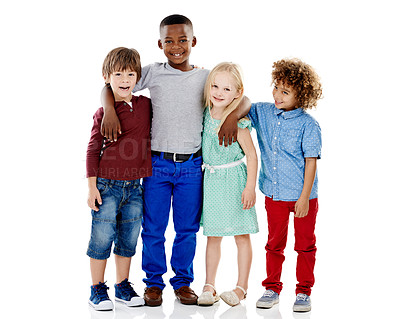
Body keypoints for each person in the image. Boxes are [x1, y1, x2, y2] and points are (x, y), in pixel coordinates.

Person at [100, 14, 250, 306]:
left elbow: (244, 99)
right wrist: (108, 109)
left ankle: (182, 283)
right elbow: (113, 84)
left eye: (183, 40)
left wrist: (232, 116)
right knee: (154, 228)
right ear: (160, 44)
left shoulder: (206, 77)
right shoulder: (153, 73)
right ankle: (153, 284)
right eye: (169, 41)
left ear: (193, 42)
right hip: (157, 165)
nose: (176, 46)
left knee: (187, 229)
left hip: (192, 166)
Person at [248, 58, 323, 312]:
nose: (277, 95)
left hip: (303, 197)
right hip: (274, 194)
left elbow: (311, 163)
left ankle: (303, 291)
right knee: (274, 243)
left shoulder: (309, 125)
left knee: (305, 245)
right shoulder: (265, 113)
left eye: (285, 92)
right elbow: (244, 104)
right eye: (276, 88)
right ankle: (272, 287)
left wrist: (304, 198)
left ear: (300, 96)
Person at [86, 47, 152, 310]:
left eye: (130, 74)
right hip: (107, 185)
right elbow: (92, 150)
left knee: (128, 237)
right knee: (102, 237)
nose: (125, 79)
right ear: (107, 76)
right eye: (118, 74)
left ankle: (122, 286)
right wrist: (92, 188)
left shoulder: (146, 105)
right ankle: (96, 289)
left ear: (137, 77)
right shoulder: (104, 112)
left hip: (135, 187)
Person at [197, 62, 258, 307]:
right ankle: (209, 285)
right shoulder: (204, 114)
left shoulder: (239, 123)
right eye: (215, 86)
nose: (219, 92)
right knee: (213, 236)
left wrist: (249, 187)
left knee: (241, 235)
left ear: (237, 92)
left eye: (226, 88)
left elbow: (252, 156)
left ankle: (241, 287)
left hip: (234, 180)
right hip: (211, 182)